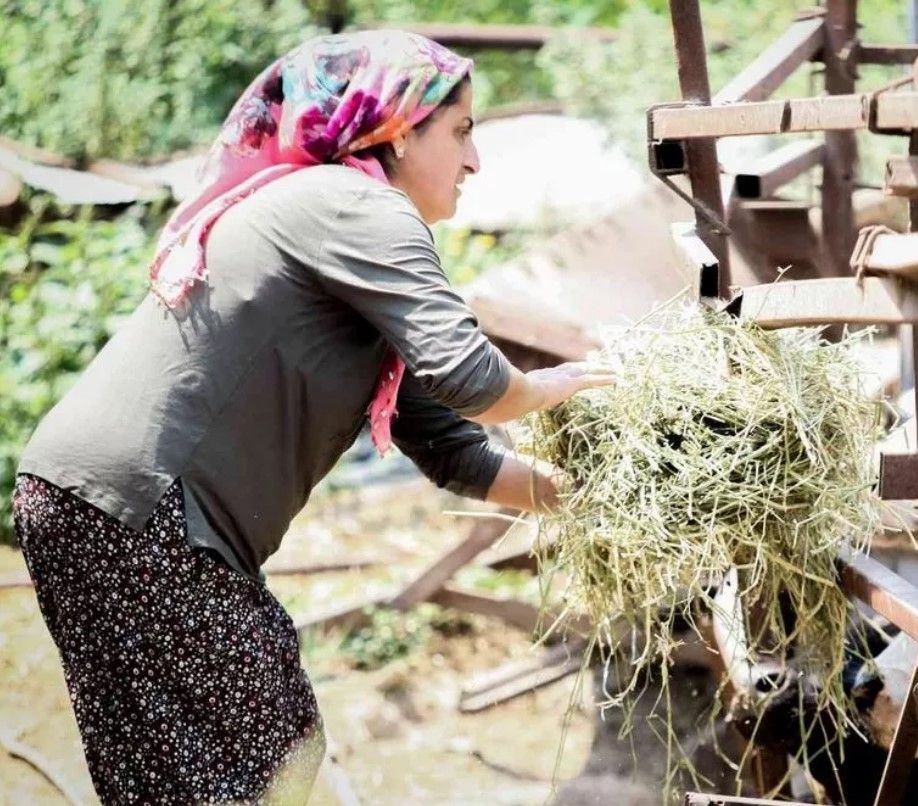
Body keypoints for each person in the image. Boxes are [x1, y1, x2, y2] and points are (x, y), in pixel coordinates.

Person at [11, 30, 613, 805]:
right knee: (261, 748)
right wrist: (557, 383)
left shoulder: (345, 226)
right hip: (135, 508)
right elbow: (473, 380)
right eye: (461, 131)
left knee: (200, 769)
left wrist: (601, 503)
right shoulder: (353, 204)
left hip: (94, 502)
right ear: (397, 130)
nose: (474, 161)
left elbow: (454, 450)